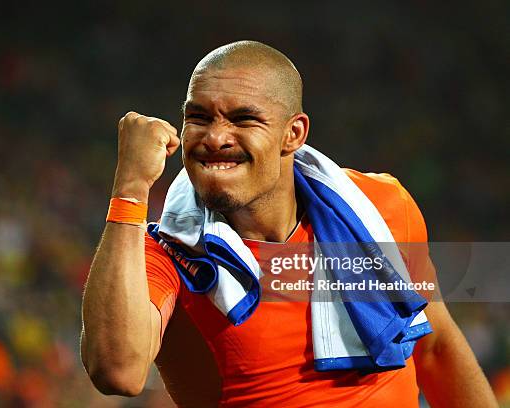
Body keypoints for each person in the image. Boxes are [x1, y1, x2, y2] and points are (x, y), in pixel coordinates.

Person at [80, 41, 497, 407]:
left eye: (243, 119)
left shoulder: (381, 206)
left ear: (292, 134)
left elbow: (434, 349)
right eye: (199, 117)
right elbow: (118, 371)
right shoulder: (169, 255)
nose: (215, 136)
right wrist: (131, 187)